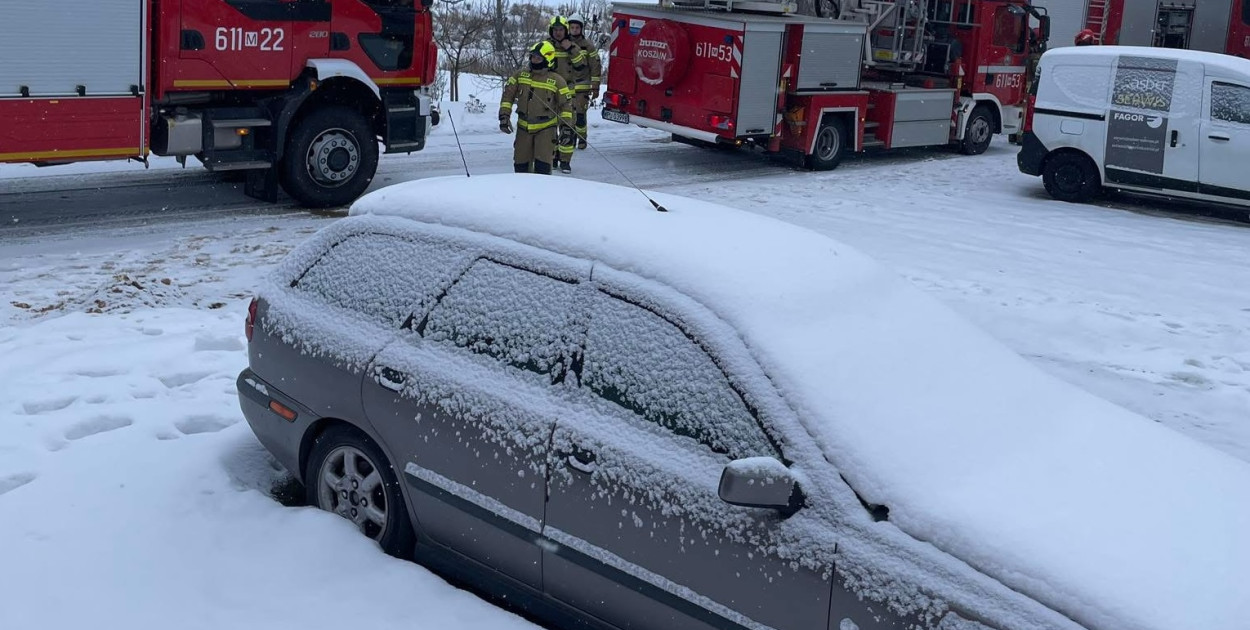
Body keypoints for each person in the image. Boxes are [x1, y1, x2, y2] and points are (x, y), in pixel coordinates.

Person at [499, 42, 574, 175]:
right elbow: (508, 96)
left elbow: (566, 106)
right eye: (533, 57)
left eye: (538, 58)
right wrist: (504, 116)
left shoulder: (557, 80)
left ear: (548, 59)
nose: (534, 60)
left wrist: (566, 128)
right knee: (520, 166)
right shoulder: (520, 75)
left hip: (546, 129)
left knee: (542, 169)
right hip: (523, 128)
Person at [546, 16, 587, 173]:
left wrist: (569, 48)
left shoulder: (573, 46)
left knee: (567, 128)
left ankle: (565, 161)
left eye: (561, 30)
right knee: (550, 128)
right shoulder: (546, 45)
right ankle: (553, 157)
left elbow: (581, 65)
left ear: (565, 30)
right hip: (549, 93)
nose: (558, 33)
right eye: (555, 30)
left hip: (568, 94)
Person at [566, 13, 602, 151]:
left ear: (581, 29)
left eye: (577, 27)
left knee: (580, 115)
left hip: (582, 85)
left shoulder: (588, 46)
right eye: (572, 27)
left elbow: (595, 66)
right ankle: (570, 137)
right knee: (568, 114)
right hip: (567, 85)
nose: (574, 30)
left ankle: (581, 138)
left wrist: (595, 87)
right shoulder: (564, 44)